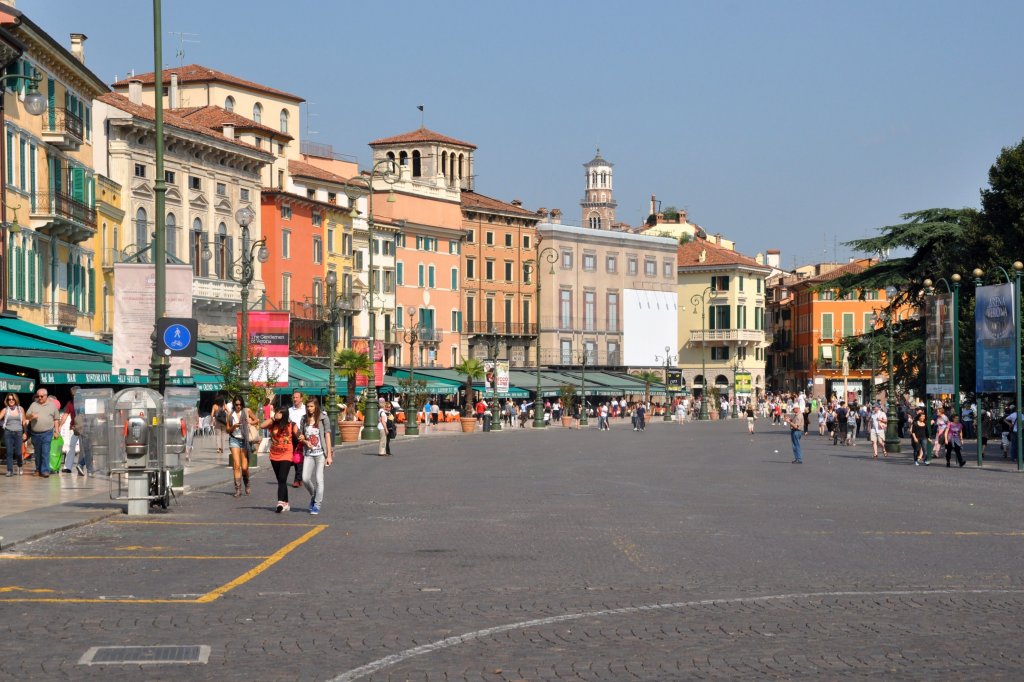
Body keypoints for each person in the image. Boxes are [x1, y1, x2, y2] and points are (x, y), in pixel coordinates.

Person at [298, 397, 332, 514]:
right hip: (308, 453)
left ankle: (317, 504)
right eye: (308, 406)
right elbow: (302, 436)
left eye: (311, 406)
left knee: (319, 479)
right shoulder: (304, 419)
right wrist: (304, 440)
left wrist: (329, 455)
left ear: (316, 406)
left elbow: (327, 436)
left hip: (320, 453)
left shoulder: (323, 418)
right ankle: (314, 495)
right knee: (305, 478)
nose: (309, 408)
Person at [261, 406, 295, 512]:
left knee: (282, 478)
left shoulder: (291, 425)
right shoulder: (273, 424)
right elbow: (262, 425)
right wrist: (273, 418)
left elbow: (298, 435)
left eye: (280, 413)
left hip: (287, 454)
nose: (277, 414)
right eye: (277, 412)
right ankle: (286, 502)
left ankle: (280, 502)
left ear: (284, 415)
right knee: (281, 480)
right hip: (274, 454)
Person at [226, 396, 257, 497]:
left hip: (244, 440)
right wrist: (233, 426)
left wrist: (249, 422)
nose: (238, 406)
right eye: (236, 405)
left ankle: (247, 483)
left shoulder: (247, 411)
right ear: (234, 405)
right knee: (236, 465)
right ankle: (238, 489)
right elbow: (227, 429)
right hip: (234, 440)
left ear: (242, 404)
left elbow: (256, 420)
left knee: (244, 467)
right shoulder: (230, 414)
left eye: (240, 404)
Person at [26, 387, 60, 477]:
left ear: (46, 396)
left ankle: (45, 470)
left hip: (47, 432)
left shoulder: (52, 406)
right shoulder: (34, 404)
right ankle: (38, 469)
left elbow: (56, 419)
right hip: (35, 433)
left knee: (45, 451)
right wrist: (31, 416)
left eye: (41, 396)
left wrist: (57, 431)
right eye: (38, 396)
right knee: (37, 453)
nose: (39, 398)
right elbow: (27, 416)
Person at [1, 393, 26, 476]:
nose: (11, 401)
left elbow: (24, 422)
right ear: (7, 401)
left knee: (18, 453)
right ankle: (10, 470)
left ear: (16, 400)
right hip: (8, 432)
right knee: (9, 452)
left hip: (18, 432)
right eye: (9, 399)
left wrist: (25, 433)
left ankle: (20, 464)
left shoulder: (20, 409)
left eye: (13, 399)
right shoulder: (5, 410)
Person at [287, 390, 306, 488]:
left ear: (301, 398)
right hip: (292, 436)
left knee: (299, 456)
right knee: (295, 457)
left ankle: (298, 479)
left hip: (303, 435)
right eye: (293, 397)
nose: (295, 399)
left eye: (297, 397)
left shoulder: (306, 409)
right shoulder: (290, 410)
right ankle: (299, 478)